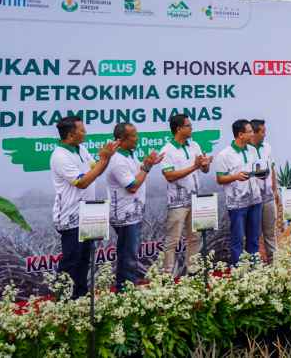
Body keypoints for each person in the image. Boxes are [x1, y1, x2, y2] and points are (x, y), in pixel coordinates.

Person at [52, 116, 118, 298]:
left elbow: (95, 170)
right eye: (82, 130)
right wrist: (103, 160)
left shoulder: (81, 149)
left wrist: (105, 159)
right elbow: (82, 182)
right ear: (71, 134)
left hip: (88, 215)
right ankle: (62, 303)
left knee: (83, 262)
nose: (85, 132)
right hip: (71, 217)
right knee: (71, 263)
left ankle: (80, 299)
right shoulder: (60, 156)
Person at [104, 122, 162, 290]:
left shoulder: (129, 154)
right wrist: (147, 167)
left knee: (129, 251)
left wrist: (147, 164)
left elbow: (138, 174)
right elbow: (132, 186)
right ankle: (126, 289)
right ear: (122, 139)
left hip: (133, 212)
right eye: (134, 136)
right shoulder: (117, 160)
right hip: (124, 215)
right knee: (128, 253)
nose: (137, 138)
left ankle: (129, 283)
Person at [160, 113, 212, 276]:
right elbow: (169, 176)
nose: (191, 128)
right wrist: (195, 167)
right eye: (188, 125)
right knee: (172, 241)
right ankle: (167, 276)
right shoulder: (167, 150)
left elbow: (204, 170)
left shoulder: (194, 145)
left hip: (196, 200)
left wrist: (205, 165)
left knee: (195, 237)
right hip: (177, 203)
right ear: (179, 129)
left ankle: (193, 271)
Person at [215, 119, 262, 265]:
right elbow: (220, 179)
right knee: (238, 239)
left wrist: (262, 173)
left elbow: (257, 170)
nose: (252, 134)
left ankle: (255, 271)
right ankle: (239, 273)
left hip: (255, 201)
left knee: (254, 238)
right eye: (249, 131)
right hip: (237, 205)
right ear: (240, 134)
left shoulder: (252, 150)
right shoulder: (224, 155)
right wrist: (235, 176)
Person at [249, 119, 279, 263]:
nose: (265, 135)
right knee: (253, 234)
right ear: (254, 133)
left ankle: (274, 264)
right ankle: (254, 266)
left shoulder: (267, 147)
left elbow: (272, 168)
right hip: (252, 199)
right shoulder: (246, 150)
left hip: (268, 197)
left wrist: (275, 189)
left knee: (270, 232)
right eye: (262, 132)